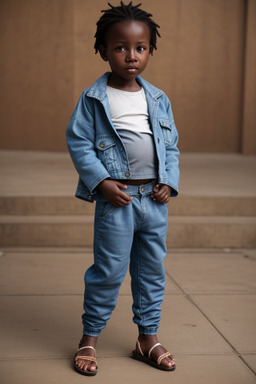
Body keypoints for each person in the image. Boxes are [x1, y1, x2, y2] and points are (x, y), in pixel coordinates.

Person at [66, 1, 179, 376]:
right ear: (103, 51)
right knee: (109, 270)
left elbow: (171, 146)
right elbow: (80, 142)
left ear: (150, 51)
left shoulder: (158, 98)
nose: (131, 56)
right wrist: (101, 182)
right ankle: (89, 338)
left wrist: (168, 182)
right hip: (119, 200)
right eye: (120, 47)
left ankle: (147, 338)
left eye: (140, 48)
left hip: (154, 199)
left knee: (151, 270)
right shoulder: (94, 98)